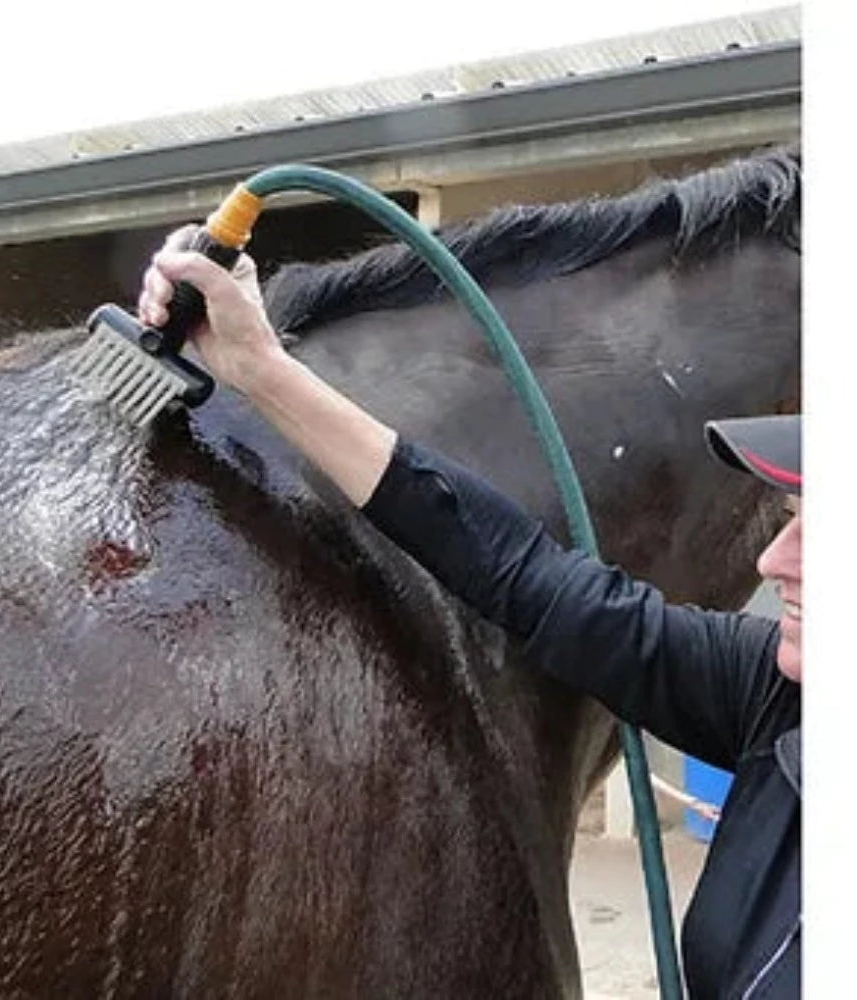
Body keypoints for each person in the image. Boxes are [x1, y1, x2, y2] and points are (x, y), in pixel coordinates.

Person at [138, 230, 801, 999]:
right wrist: (263, 371)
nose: (773, 561)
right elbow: (516, 570)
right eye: (788, 515)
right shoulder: (776, 697)